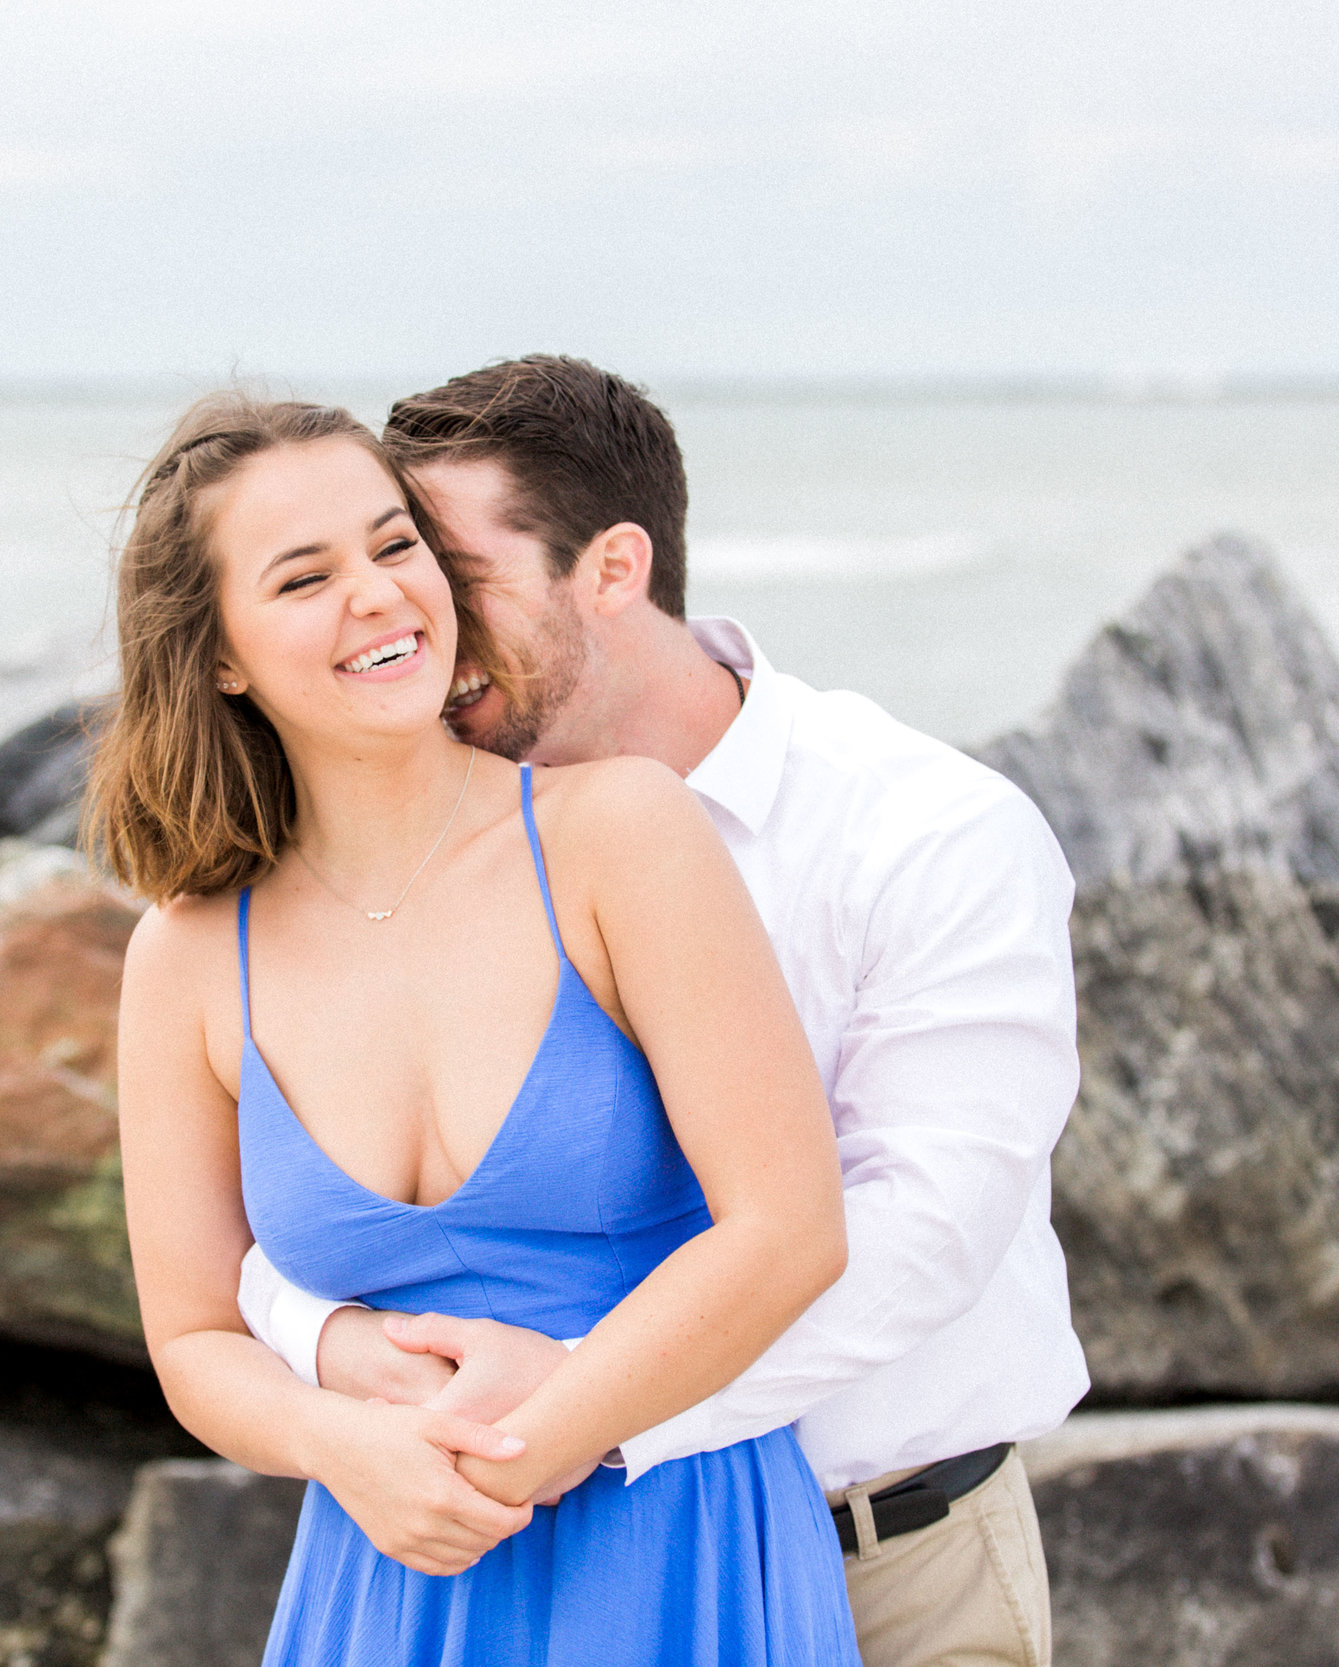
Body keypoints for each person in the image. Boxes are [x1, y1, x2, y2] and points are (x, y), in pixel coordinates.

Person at [238, 356, 1087, 1667]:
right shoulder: (431, 846)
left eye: (461, 579)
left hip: (887, 1559)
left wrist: (580, 1407)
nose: (423, 623)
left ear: (615, 568)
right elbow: (306, 1199)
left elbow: (922, 1227)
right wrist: (338, 1338)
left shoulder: (930, 832)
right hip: (551, 1565)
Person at [96, 392, 868, 1665]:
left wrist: (532, 1443)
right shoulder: (183, 956)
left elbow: (789, 1228)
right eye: (304, 576)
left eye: (395, 546)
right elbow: (190, 1337)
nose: (378, 594)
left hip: (669, 1548)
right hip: (386, 1565)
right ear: (220, 651)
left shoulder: (619, 833)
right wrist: (341, 1443)